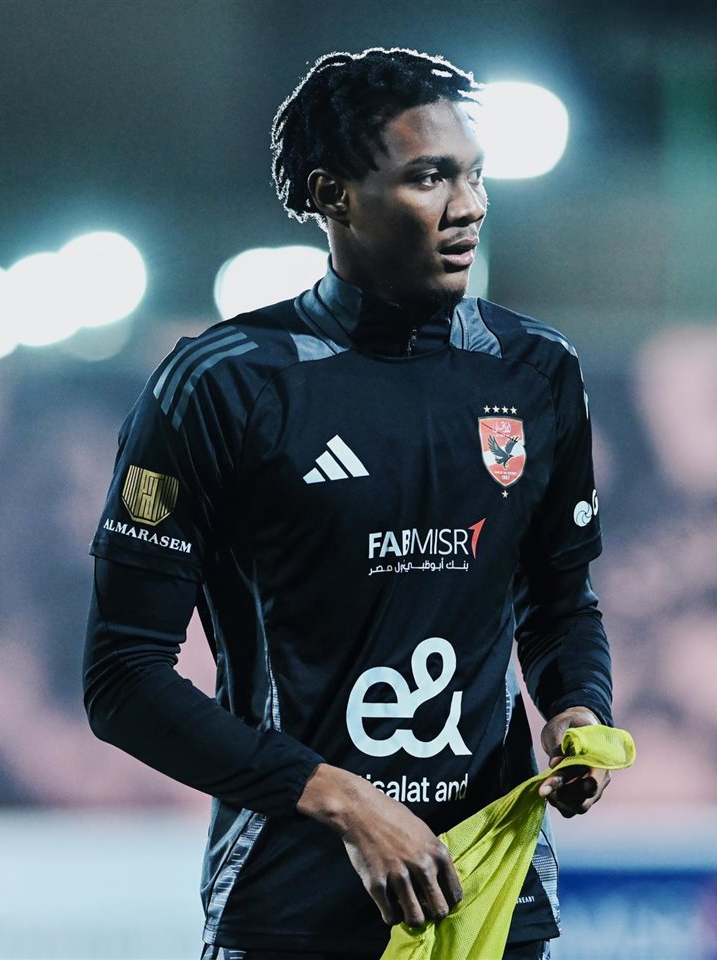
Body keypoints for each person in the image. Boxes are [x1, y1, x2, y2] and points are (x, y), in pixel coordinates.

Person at [84, 47, 613, 960]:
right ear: (333, 195)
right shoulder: (223, 385)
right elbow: (123, 679)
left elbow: (561, 603)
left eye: (476, 175)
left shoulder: (536, 371)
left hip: (489, 896)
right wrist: (340, 799)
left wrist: (577, 707)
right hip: (289, 906)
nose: (469, 205)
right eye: (429, 178)